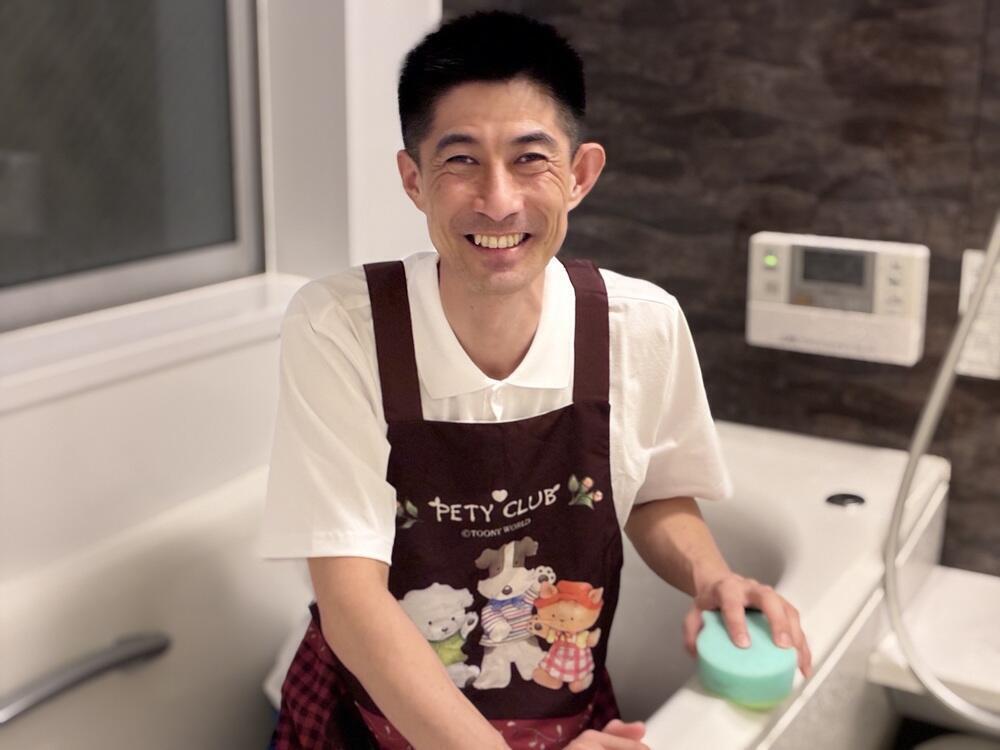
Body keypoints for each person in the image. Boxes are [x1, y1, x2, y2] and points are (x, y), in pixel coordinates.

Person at [261, 10, 811, 750]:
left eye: (529, 159)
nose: (498, 201)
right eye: (461, 160)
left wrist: (711, 576)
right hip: (364, 720)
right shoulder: (341, 326)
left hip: (560, 706)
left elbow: (651, 490)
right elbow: (351, 601)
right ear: (413, 179)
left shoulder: (639, 326)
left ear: (580, 174)